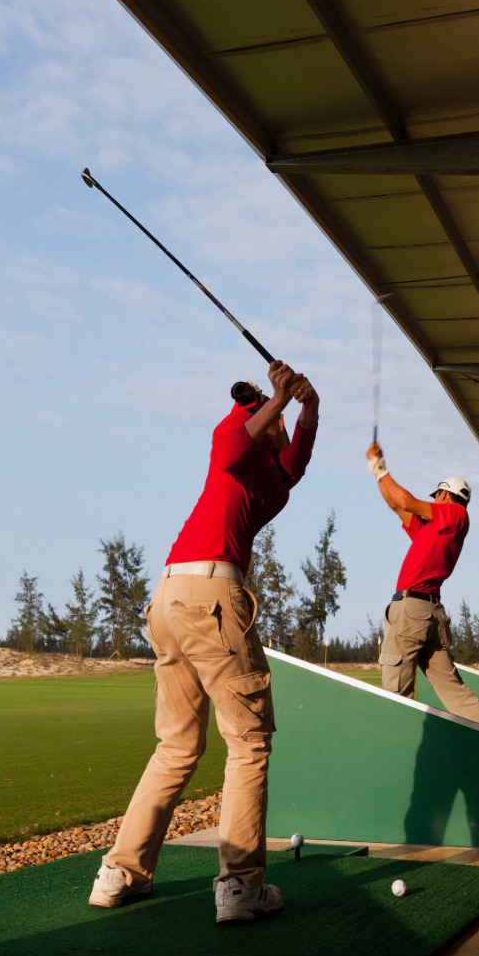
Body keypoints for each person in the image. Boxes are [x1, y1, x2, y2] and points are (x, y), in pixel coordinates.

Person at [89, 360, 319, 923]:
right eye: (266, 413)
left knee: (177, 745)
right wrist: (289, 401)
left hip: (171, 596)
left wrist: (303, 405)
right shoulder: (234, 435)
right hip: (209, 596)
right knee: (248, 740)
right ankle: (240, 886)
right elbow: (236, 447)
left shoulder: (269, 476)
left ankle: (120, 872)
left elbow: (291, 462)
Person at [365, 441, 479, 800]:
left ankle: (399, 779)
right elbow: (399, 507)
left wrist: (382, 470)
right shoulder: (434, 529)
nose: (435, 500)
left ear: (446, 494)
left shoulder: (454, 516)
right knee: (454, 691)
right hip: (430, 615)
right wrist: (376, 470)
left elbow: (409, 501)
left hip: (412, 612)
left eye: (437, 495)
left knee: (396, 694)